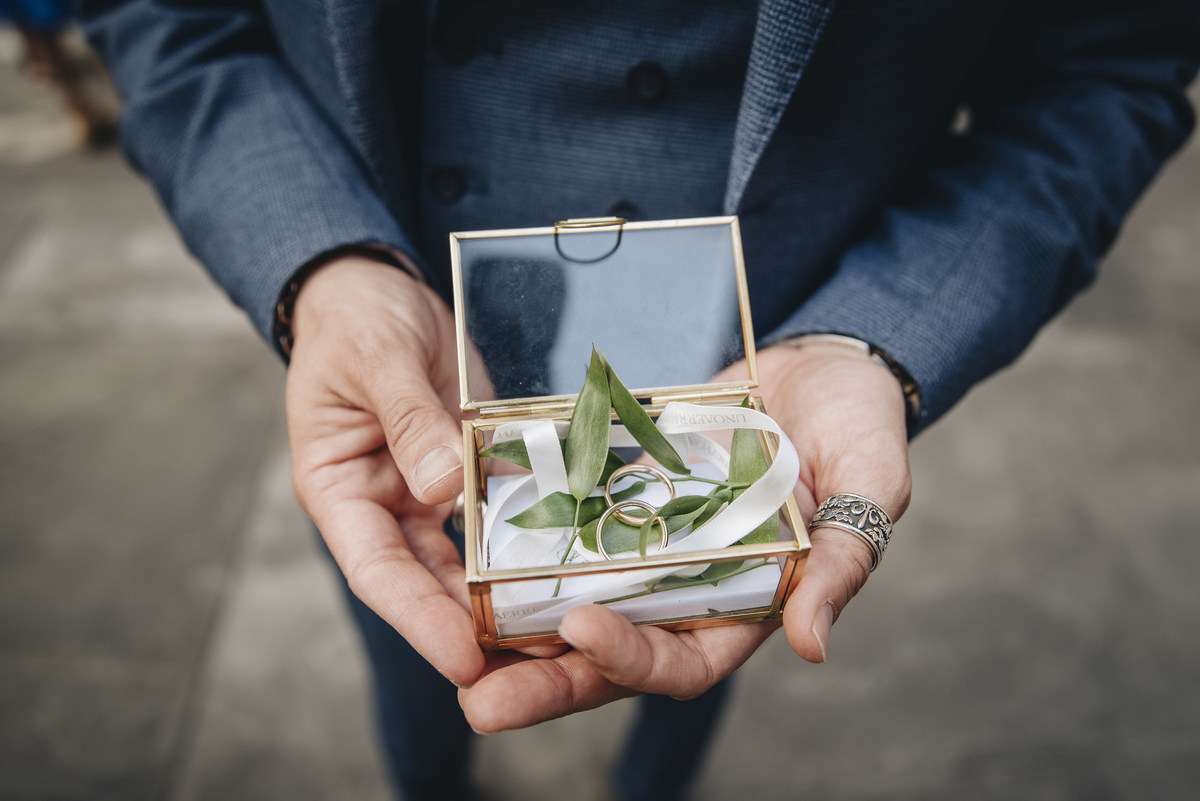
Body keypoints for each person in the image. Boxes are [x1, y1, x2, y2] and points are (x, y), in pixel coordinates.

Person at [80, 1, 1199, 799]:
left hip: (746, 377)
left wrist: (873, 339)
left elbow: (1112, 62)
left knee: (701, 622)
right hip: (408, 365)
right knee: (414, 626)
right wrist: (323, 267)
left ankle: (655, 784)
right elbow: (168, 18)